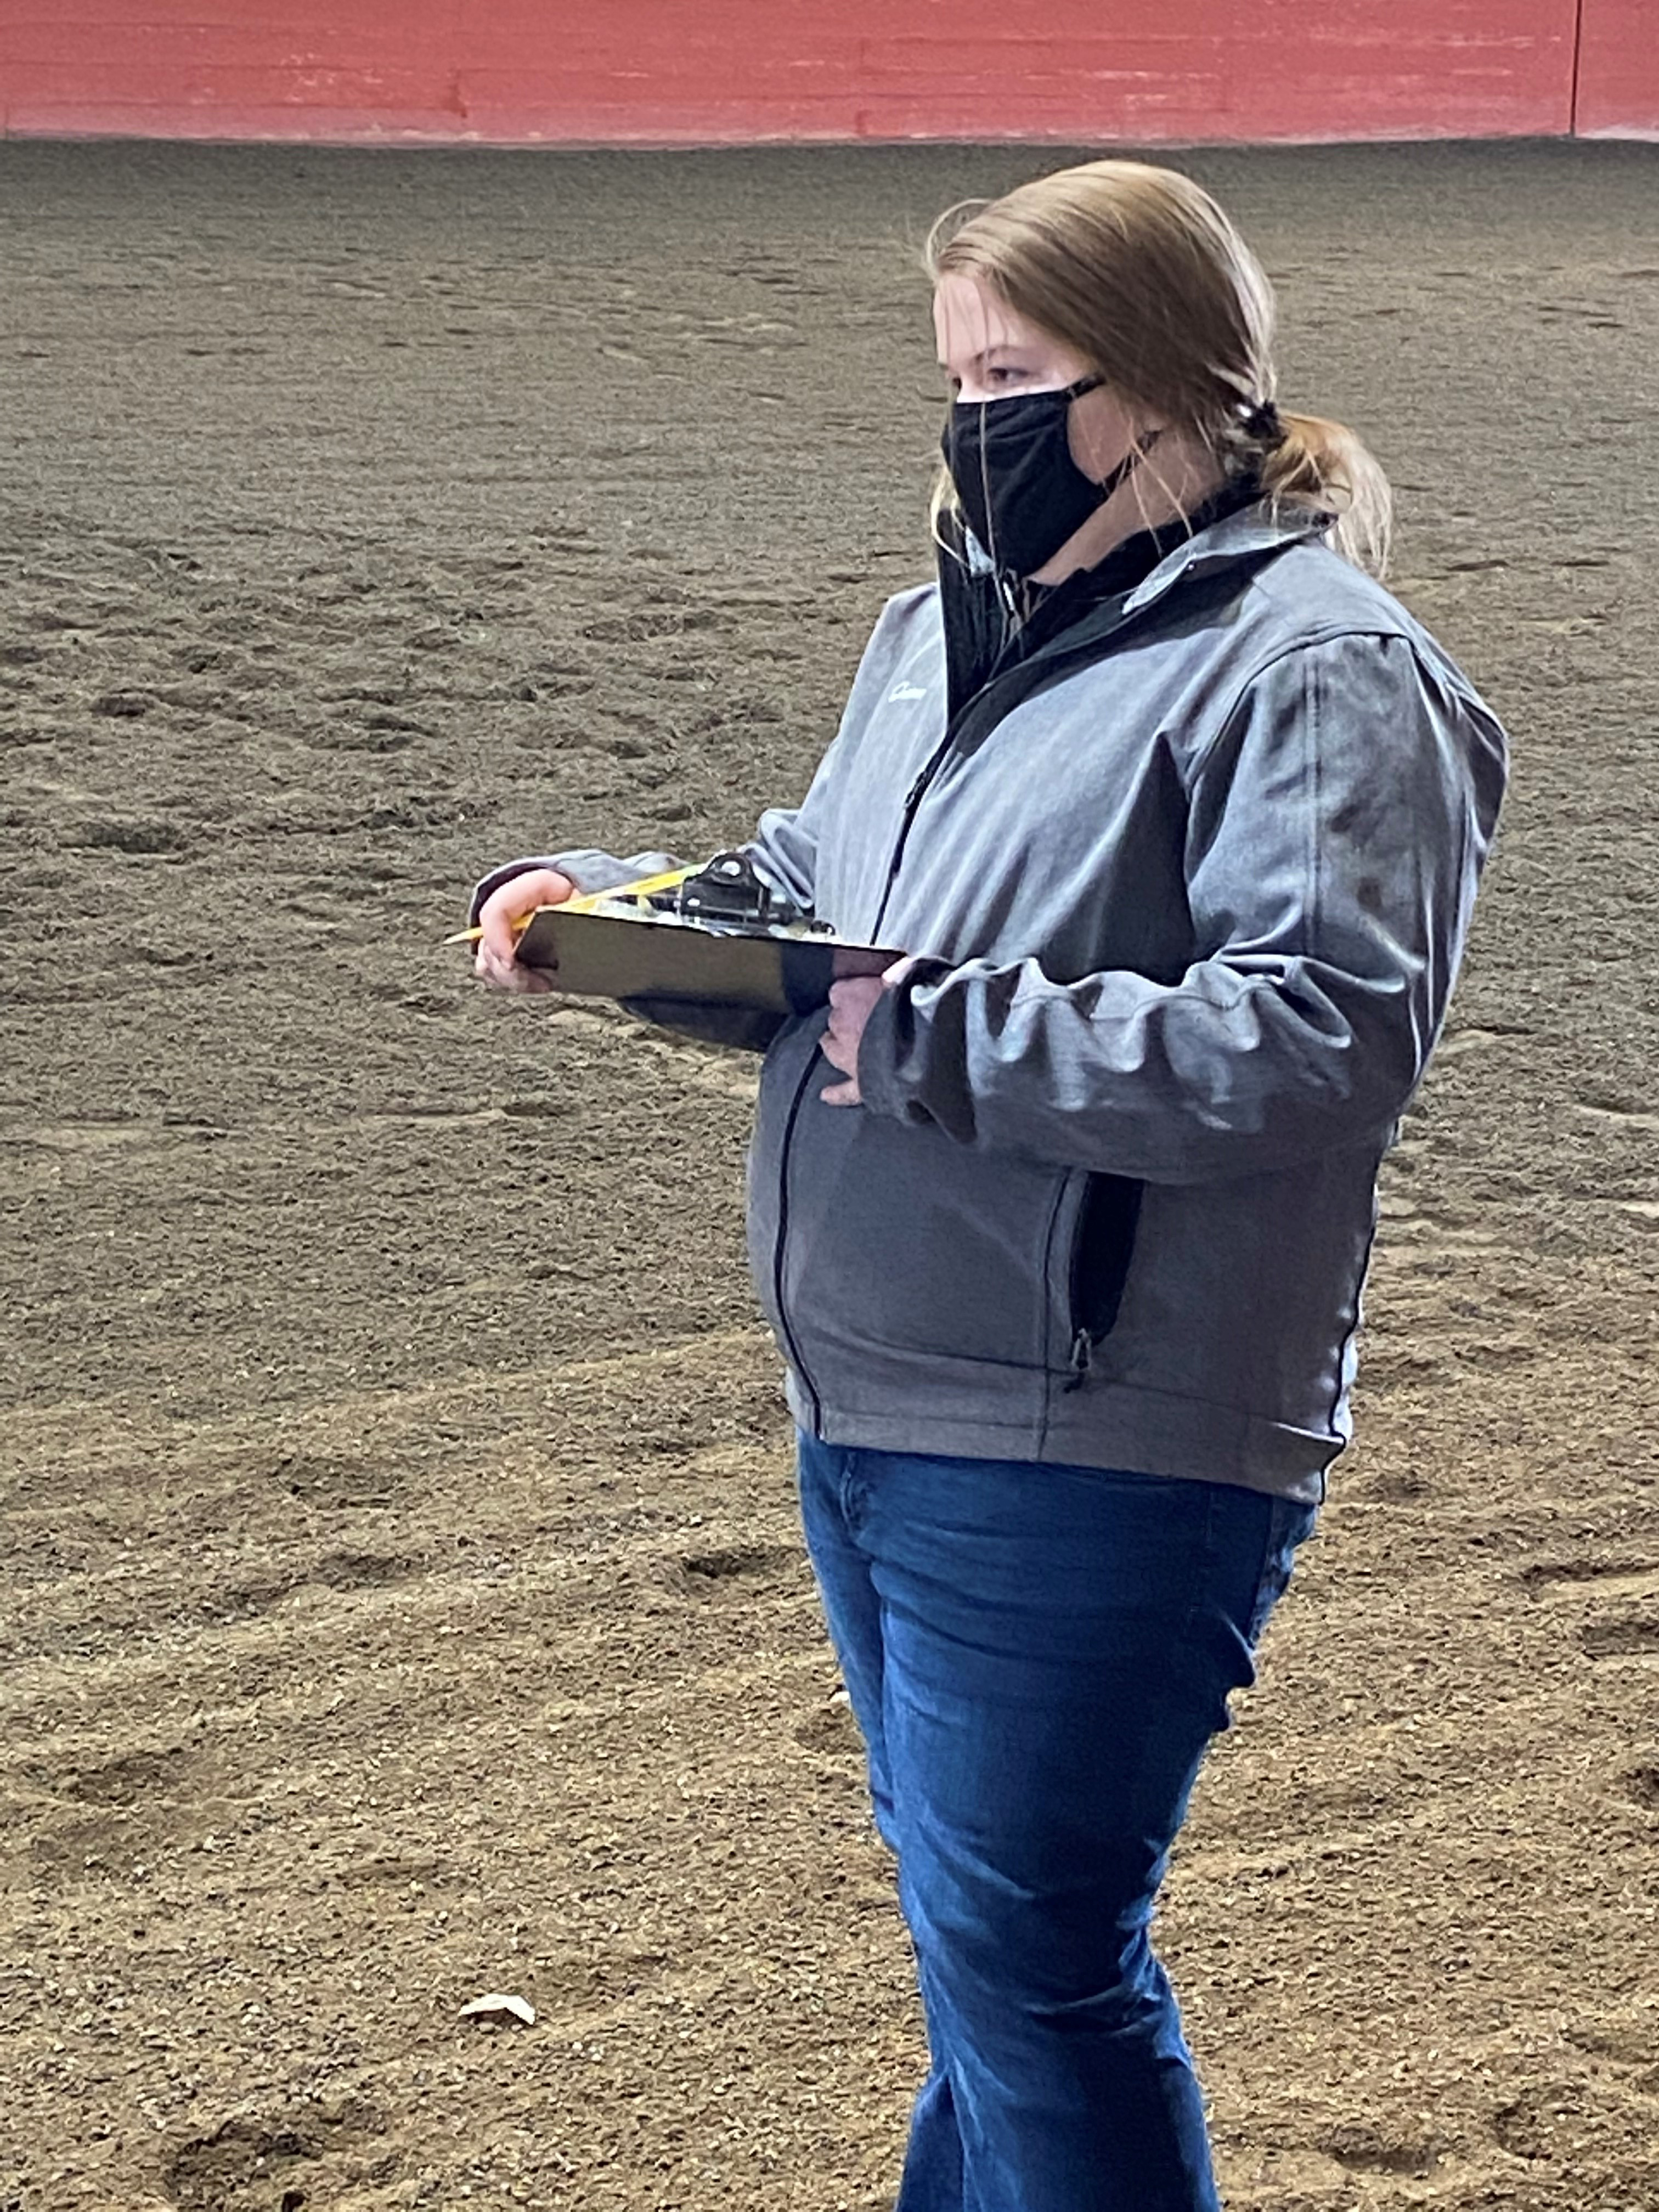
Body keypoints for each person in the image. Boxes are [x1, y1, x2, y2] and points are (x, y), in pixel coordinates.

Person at [470, 159, 1508, 2212]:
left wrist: (900, 1020)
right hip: (878, 1389)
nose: (974, 425)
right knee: (988, 1970)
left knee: (1035, 1974)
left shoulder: (1320, 667)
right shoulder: (939, 634)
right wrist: (629, 916)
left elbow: (1316, 1037)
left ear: (1166, 386)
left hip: (1103, 1425)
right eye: (955, 377)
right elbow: (826, 897)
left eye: (1015, 375)